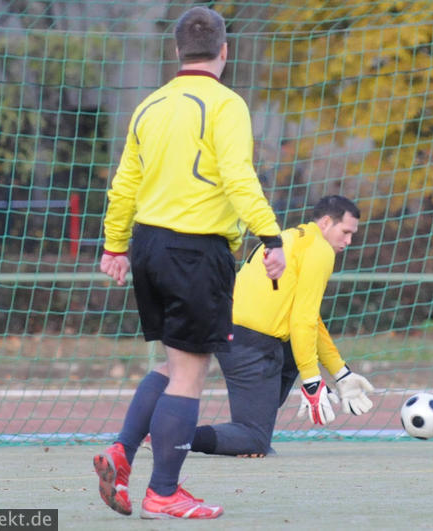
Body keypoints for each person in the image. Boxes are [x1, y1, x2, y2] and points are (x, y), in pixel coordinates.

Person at [94, 6, 285, 520]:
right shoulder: (225, 104)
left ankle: (121, 452)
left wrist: (115, 247)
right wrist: (270, 236)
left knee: (174, 363)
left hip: (147, 246)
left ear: (177, 50)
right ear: (224, 50)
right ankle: (163, 492)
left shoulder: (150, 106)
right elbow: (238, 176)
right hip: (195, 250)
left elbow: (124, 184)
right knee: (191, 373)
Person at [190, 195, 375, 458]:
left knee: (259, 420)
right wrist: (312, 380)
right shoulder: (320, 250)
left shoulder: (291, 238)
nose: (348, 241)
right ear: (325, 222)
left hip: (231, 331)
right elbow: (303, 320)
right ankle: (171, 435)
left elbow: (310, 320)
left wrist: (340, 373)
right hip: (250, 341)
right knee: (254, 440)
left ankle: (244, 432)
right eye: (345, 232)